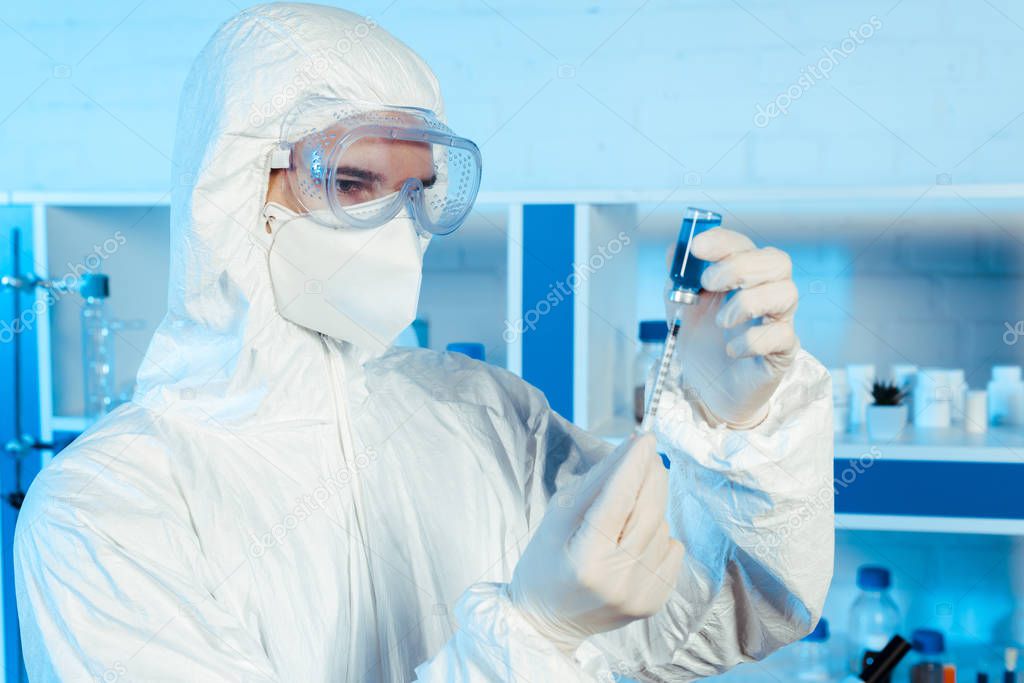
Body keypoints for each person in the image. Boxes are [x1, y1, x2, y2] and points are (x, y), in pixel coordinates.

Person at [14, 4, 834, 682]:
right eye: (351, 182)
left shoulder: (482, 413)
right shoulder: (106, 511)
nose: (398, 226)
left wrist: (740, 426)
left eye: (420, 190)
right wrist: (530, 637)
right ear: (236, 186)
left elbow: (723, 614)